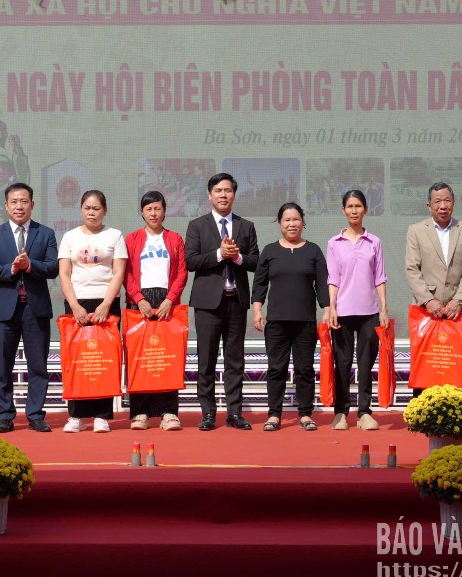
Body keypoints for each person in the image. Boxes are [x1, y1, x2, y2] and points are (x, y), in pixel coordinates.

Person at [0, 183, 59, 433]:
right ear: (6, 205)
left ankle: (35, 415)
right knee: (3, 366)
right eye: (14, 201)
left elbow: (53, 268)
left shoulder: (45, 233)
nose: (19, 206)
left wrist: (30, 265)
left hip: (35, 309)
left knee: (38, 365)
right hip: (5, 310)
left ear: (32, 205)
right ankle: (5, 415)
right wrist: (12, 269)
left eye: (24, 201)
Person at [185, 173, 259, 431]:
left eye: (228, 190)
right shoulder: (197, 225)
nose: (223, 195)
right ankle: (207, 414)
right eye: (218, 190)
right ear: (209, 195)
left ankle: (234, 413)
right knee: (206, 360)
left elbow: (256, 262)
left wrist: (237, 257)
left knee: (235, 360)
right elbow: (191, 261)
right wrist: (219, 254)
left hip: (236, 302)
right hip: (207, 303)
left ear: (235, 195)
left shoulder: (245, 226)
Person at [251, 202, 329, 432]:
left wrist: (327, 309)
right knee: (276, 368)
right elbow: (259, 283)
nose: (292, 224)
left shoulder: (313, 250)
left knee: (305, 369)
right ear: (280, 224)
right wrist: (257, 309)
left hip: (305, 321)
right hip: (276, 322)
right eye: (287, 220)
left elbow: (323, 284)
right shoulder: (270, 251)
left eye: (296, 219)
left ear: (303, 222)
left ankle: (305, 413)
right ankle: (274, 414)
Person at [58, 190, 128, 433]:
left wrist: (106, 305)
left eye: (96, 208)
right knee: (77, 359)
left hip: (106, 303)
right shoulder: (70, 237)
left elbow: (118, 272)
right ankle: (76, 415)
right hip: (77, 303)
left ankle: (102, 415)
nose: (91, 212)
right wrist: (75, 306)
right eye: (87, 208)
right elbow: (64, 274)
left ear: (104, 210)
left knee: (103, 360)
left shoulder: (115, 235)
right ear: (81, 210)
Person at [404, 182, 462, 396]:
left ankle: (456, 418)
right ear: (429, 205)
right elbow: (412, 268)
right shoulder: (416, 231)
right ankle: (422, 416)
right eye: (437, 201)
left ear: (454, 204)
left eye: (447, 200)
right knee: (426, 365)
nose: (442, 206)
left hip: (457, 311)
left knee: (455, 366)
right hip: (427, 311)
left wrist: (460, 299)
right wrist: (429, 300)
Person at [123, 191, 188, 431]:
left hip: (166, 302)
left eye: (158, 208)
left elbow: (182, 272)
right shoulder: (132, 239)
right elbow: (126, 272)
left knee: (167, 357)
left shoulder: (174, 238)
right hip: (139, 302)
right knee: (140, 358)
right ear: (142, 212)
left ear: (165, 210)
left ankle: (169, 412)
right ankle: (139, 413)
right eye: (148, 209)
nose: (153, 213)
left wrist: (171, 299)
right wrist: (138, 298)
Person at [325, 190, 389, 431]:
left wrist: (383, 308)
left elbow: (380, 277)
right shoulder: (334, 243)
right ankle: (341, 412)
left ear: (365, 210)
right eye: (349, 206)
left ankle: (364, 412)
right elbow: (333, 278)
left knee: (365, 364)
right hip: (342, 311)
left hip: (369, 311)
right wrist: (331, 307)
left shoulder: (374, 242)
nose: (353, 210)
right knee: (341, 363)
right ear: (343, 210)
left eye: (358, 206)